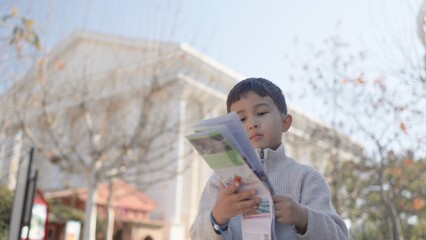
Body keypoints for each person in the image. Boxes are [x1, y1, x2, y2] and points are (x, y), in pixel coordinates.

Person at [190, 78, 349, 239]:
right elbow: (196, 236)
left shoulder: (307, 178)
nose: (252, 123)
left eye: (261, 113)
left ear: (285, 122)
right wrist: (217, 218)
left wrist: (303, 218)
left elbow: (340, 236)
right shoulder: (219, 183)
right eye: (241, 119)